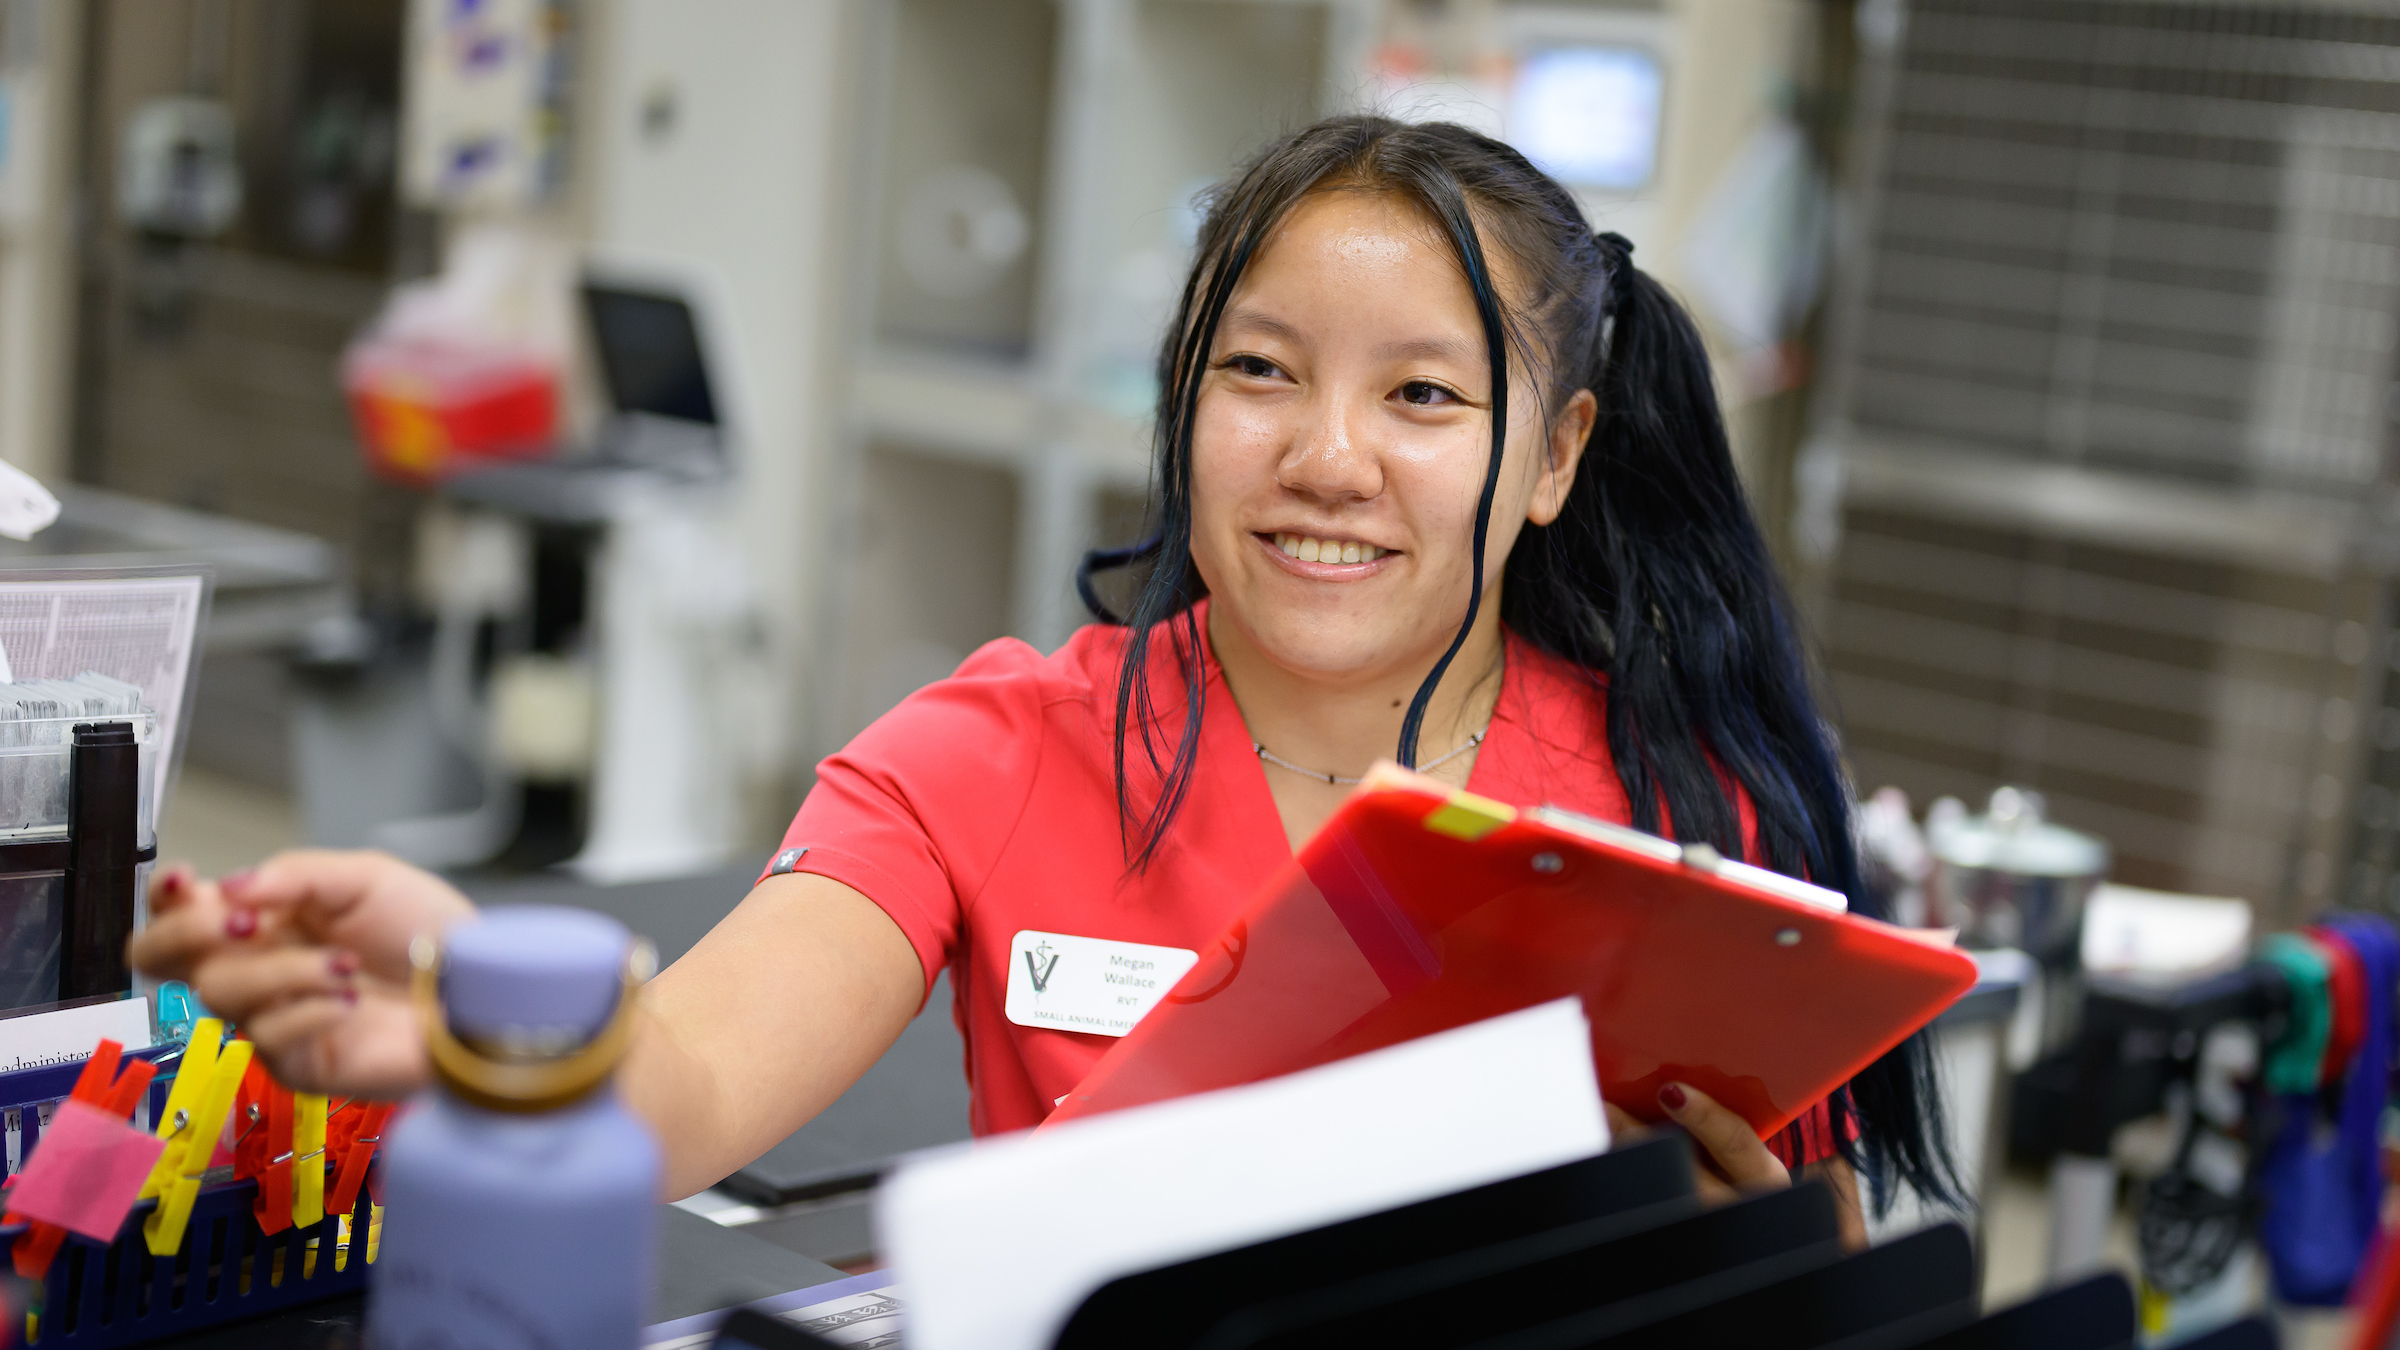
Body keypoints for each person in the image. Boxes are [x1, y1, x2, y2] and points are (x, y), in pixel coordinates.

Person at [133, 116, 1953, 1247]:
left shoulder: (1669, 804)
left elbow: (1818, 1240)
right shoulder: (998, 750)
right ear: (1184, 404)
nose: (1326, 456)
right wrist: (492, 1005)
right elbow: (683, 1073)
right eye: (1259, 371)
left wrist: (1751, 1262)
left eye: (1422, 394)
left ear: (1549, 457)